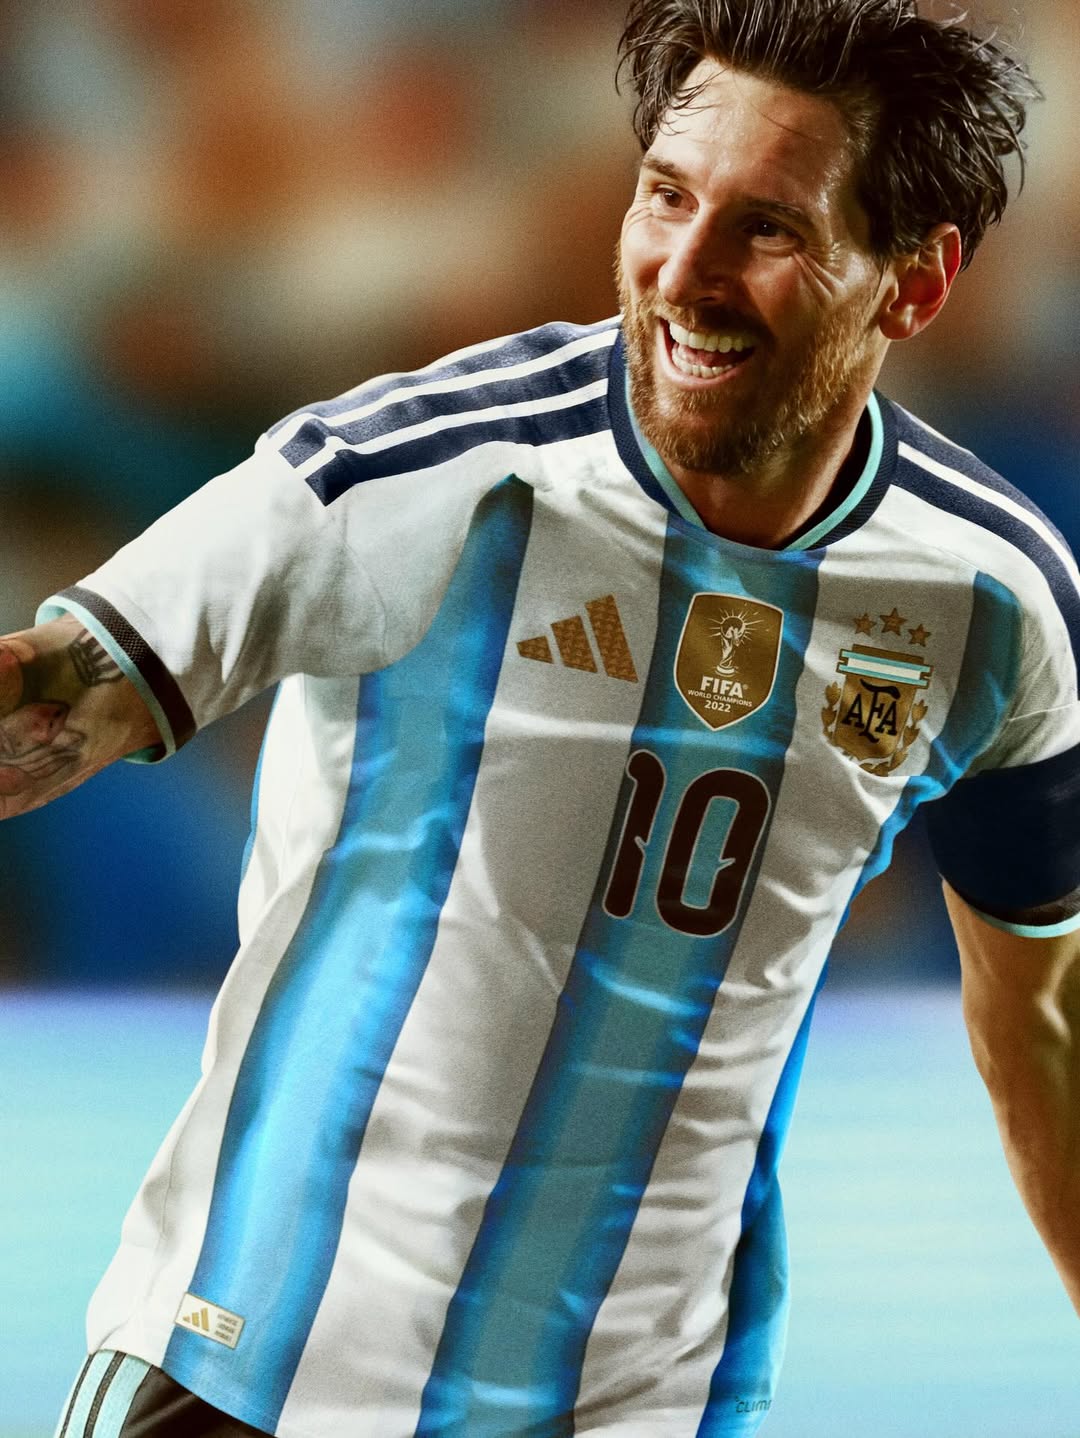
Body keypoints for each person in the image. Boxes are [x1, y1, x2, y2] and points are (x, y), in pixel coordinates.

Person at [7, 1, 1078, 1434]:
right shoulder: (415, 475)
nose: (683, 272)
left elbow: (1041, 1015)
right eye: (666, 195)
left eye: (767, 228)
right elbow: (56, 692)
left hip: (648, 1402)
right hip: (251, 1374)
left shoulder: (992, 604)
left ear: (915, 280)